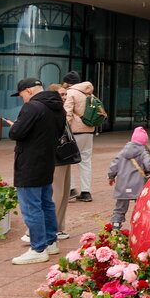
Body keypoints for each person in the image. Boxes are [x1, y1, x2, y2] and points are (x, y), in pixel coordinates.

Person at [6, 78, 65, 264]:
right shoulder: (57, 107)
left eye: (22, 94)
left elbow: (16, 133)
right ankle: (50, 241)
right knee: (46, 203)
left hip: (29, 163)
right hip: (47, 160)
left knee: (31, 207)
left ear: (29, 91)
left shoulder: (32, 107)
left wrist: (14, 125)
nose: (22, 98)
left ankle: (38, 248)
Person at [108, 127, 150, 229]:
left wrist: (111, 176)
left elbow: (114, 165)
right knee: (141, 207)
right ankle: (140, 227)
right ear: (144, 142)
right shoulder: (143, 151)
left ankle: (115, 228)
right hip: (138, 185)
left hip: (122, 186)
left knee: (119, 209)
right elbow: (148, 165)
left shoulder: (123, 151)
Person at [62, 71, 97, 203]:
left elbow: (67, 113)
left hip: (74, 132)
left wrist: (63, 130)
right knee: (85, 161)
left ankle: (71, 190)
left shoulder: (70, 93)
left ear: (68, 82)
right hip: (89, 131)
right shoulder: (89, 93)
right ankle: (86, 192)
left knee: (67, 160)